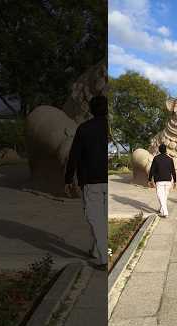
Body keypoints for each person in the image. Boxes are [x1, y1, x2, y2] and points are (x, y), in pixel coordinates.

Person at [65, 95, 108, 270]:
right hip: (107, 181)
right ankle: (96, 251)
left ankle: (105, 258)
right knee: (102, 218)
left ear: (90, 110)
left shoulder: (84, 128)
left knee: (95, 218)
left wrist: (68, 179)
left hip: (91, 181)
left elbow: (74, 156)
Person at [148, 144, 176, 218]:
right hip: (168, 180)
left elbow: (152, 170)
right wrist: (175, 181)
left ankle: (165, 212)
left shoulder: (156, 158)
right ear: (166, 150)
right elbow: (173, 171)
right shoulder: (170, 159)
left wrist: (149, 179)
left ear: (159, 150)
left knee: (160, 195)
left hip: (159, 180)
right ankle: (161, 209)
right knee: (164, 196)